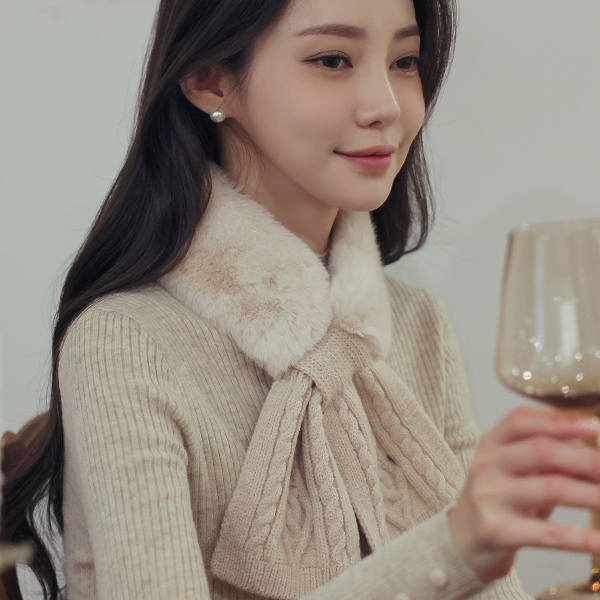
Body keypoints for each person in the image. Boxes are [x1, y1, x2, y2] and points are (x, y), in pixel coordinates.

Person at [3, 0, 600, 598]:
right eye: (333, 60)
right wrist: (453, 549)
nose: (387, 106)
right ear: (209, 80)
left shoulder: (415, 322)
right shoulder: (126, 342)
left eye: (405, 61)